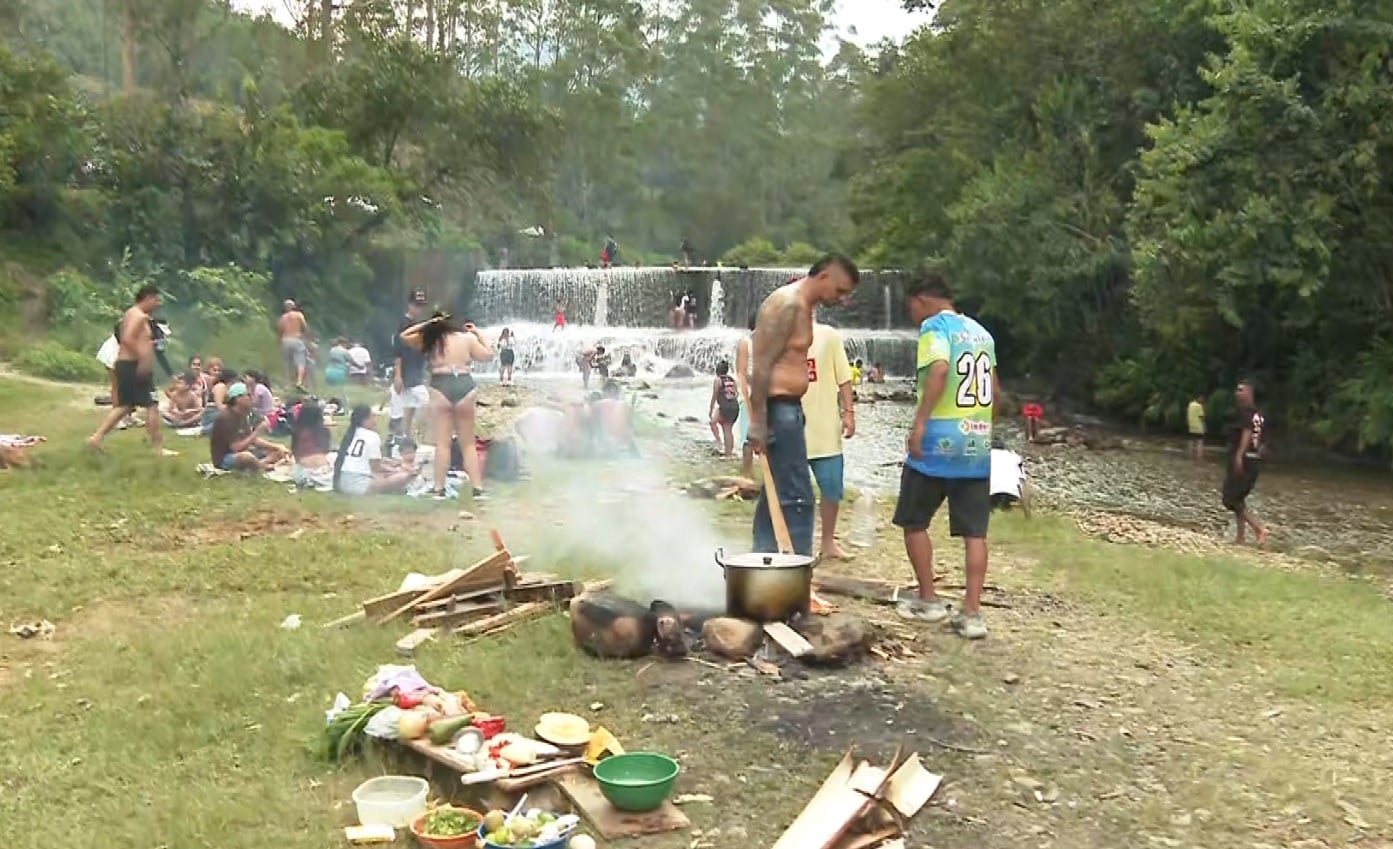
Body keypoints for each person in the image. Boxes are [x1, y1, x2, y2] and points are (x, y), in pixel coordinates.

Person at [893, 272, 997, 640]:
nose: (912, 314)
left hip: (939, 440)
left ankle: (929, 599)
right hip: (976, 442)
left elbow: (939, 369)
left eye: (911, 306)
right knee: (975, 532)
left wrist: (920, 424)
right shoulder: (982, 333)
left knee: (914, 519)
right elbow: (995, 390)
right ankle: (972, 614)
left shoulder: (934, 328)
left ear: (922, 299)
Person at [747, 255, 860, 556]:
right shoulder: (788, 305)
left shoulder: (803, 308)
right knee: (798, 497)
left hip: (789, 410)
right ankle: (794, 575)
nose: (842, 299)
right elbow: (760, 365)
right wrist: (758, 422)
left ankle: (763, 562)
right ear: (823, 276)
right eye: (840, 290)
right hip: (779, 410)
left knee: (777, 491)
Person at [401, 312, 494, 501]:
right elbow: (489, 355)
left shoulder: (432, 339)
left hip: (441, 383)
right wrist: (477, 332)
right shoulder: (467, 339)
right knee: (468, 443)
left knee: (442, 444)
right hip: (465, 383)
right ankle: (477, 488)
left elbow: (404, 336)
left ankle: (439, 489)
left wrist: (427, 323)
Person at [87, 285, 174, 455]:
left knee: (125, 406)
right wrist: (142, 357)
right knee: (152, 404)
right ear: (147, 297)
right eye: (155, 299)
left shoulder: (131, 313)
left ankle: (96, 439)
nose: (157, 304)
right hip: (134, 366)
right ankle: (158, 448)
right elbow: (127, 338)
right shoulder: (139, 316)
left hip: (127, 365)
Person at [803, 322, 856, 560]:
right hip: (791, 428)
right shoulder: (780, 335)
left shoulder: (828, 336)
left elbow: (844, 378)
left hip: (825, 427)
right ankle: (794, 544)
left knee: (832, 488)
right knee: (793, 493)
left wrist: (849, 413)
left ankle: (827, 542)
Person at [332, 405, 415, 496]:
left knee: (386, 475)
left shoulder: (351, 434)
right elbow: (376, 467)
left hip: (341, 481)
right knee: (403, 476)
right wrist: (395, 470)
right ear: (365, 420)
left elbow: (364, 458)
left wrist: (389, 462)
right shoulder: (372, 436)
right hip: (359, 484)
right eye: (373, 416)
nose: (376, 420)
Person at [1223, 380, 1268, 545]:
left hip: (1245, 458)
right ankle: (1240, 537)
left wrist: (1239, 456)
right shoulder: (1259, 416)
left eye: (1241, 390)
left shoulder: (1246, 413)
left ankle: (1259, 529)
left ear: (1249, 393)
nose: (1237, 393)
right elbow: (1262, 439)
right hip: (1254, 459)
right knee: (1238, 499)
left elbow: (1247, 433)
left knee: (1230, 499)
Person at [209, 382, 288, 472]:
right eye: (249, 395)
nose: (252, 398)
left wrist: (276, 447)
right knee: (246, 457)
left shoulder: (243, 414)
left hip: (243, 451)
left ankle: (259, 464)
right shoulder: (226, 417)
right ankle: (264, 466)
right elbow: (236, 447)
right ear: (238, 399)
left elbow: (253, 440)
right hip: (225, 458)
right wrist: (257, 431)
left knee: (277, 452)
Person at [391, 294, 431, 439]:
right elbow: (398, 352)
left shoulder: (417, 324)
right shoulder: (404, 323)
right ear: (409, 305)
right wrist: (397, 375)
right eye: (416, 305)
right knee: (424, 403)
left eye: (421, 306)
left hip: (415, 370)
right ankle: (409, 434)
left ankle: (406, 436)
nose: (419, 309)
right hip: (405, 371)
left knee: (410, 407)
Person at [290, 400, 334, 490]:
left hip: (303, 472)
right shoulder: (324, 431)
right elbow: (326, 450)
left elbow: (296, 455)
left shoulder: (297, 432)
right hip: (324, 470)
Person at [735, 313, 756, 478]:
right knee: (748, 437)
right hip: (748, 394)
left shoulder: (771, 343)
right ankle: (747, 474)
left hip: (765, 393)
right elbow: (741, 373)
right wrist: (747, 397)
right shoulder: (746, 343)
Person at [708, 360, 740, 458]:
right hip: (733, 406)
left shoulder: (718, 380)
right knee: (721, 426)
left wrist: (711, 409)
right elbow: (737, 394)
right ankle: (724, 447)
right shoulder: (732, 379)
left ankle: (728, 453)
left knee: (724, 428)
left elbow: (715, 395)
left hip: (725, 407)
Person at [277, 299, 311, 390]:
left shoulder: (282, 318)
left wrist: (279, 343)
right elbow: (305, 328)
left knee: (286, 363)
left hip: (286, 340)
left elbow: (280, 332)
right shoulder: (299, 315)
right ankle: (299, 382)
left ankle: (287, 384)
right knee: (300, 362)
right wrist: (307, 339)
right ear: (294, 306)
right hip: (297, 339)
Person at [1187, 394, 1206, 461]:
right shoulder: (1199, 406)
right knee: (1200, 442)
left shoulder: (1190, 405)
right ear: (1199, 398)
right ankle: (1199, 457)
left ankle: (1190, 456)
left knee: (1191, 441)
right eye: (1202, 398)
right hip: (1198, 427)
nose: (1203, 400)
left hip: (1191, 426)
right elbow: (1201, 417)